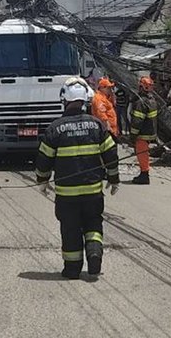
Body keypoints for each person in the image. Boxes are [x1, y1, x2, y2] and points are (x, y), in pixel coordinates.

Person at [36, 76, 120, 279]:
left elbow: (44, 159)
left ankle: (72, 269)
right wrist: (114, 179)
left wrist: (42, 180)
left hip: (67, 195)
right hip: (92, 191)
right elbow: (110, 154)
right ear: (85, 99)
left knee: (70, 229)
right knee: (93, 223)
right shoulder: (97, 126)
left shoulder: (54, 128)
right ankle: (94, 257)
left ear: (64, 100)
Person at [130, 76, 158, 185]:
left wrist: (133, 135)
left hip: (142, 133)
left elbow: (137, 121)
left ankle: (144, 175)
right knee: (144, 153)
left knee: (142, 154)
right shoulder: (152, 100)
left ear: (141, 87)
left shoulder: (141, 102)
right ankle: (144, 173)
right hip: (150, 132)